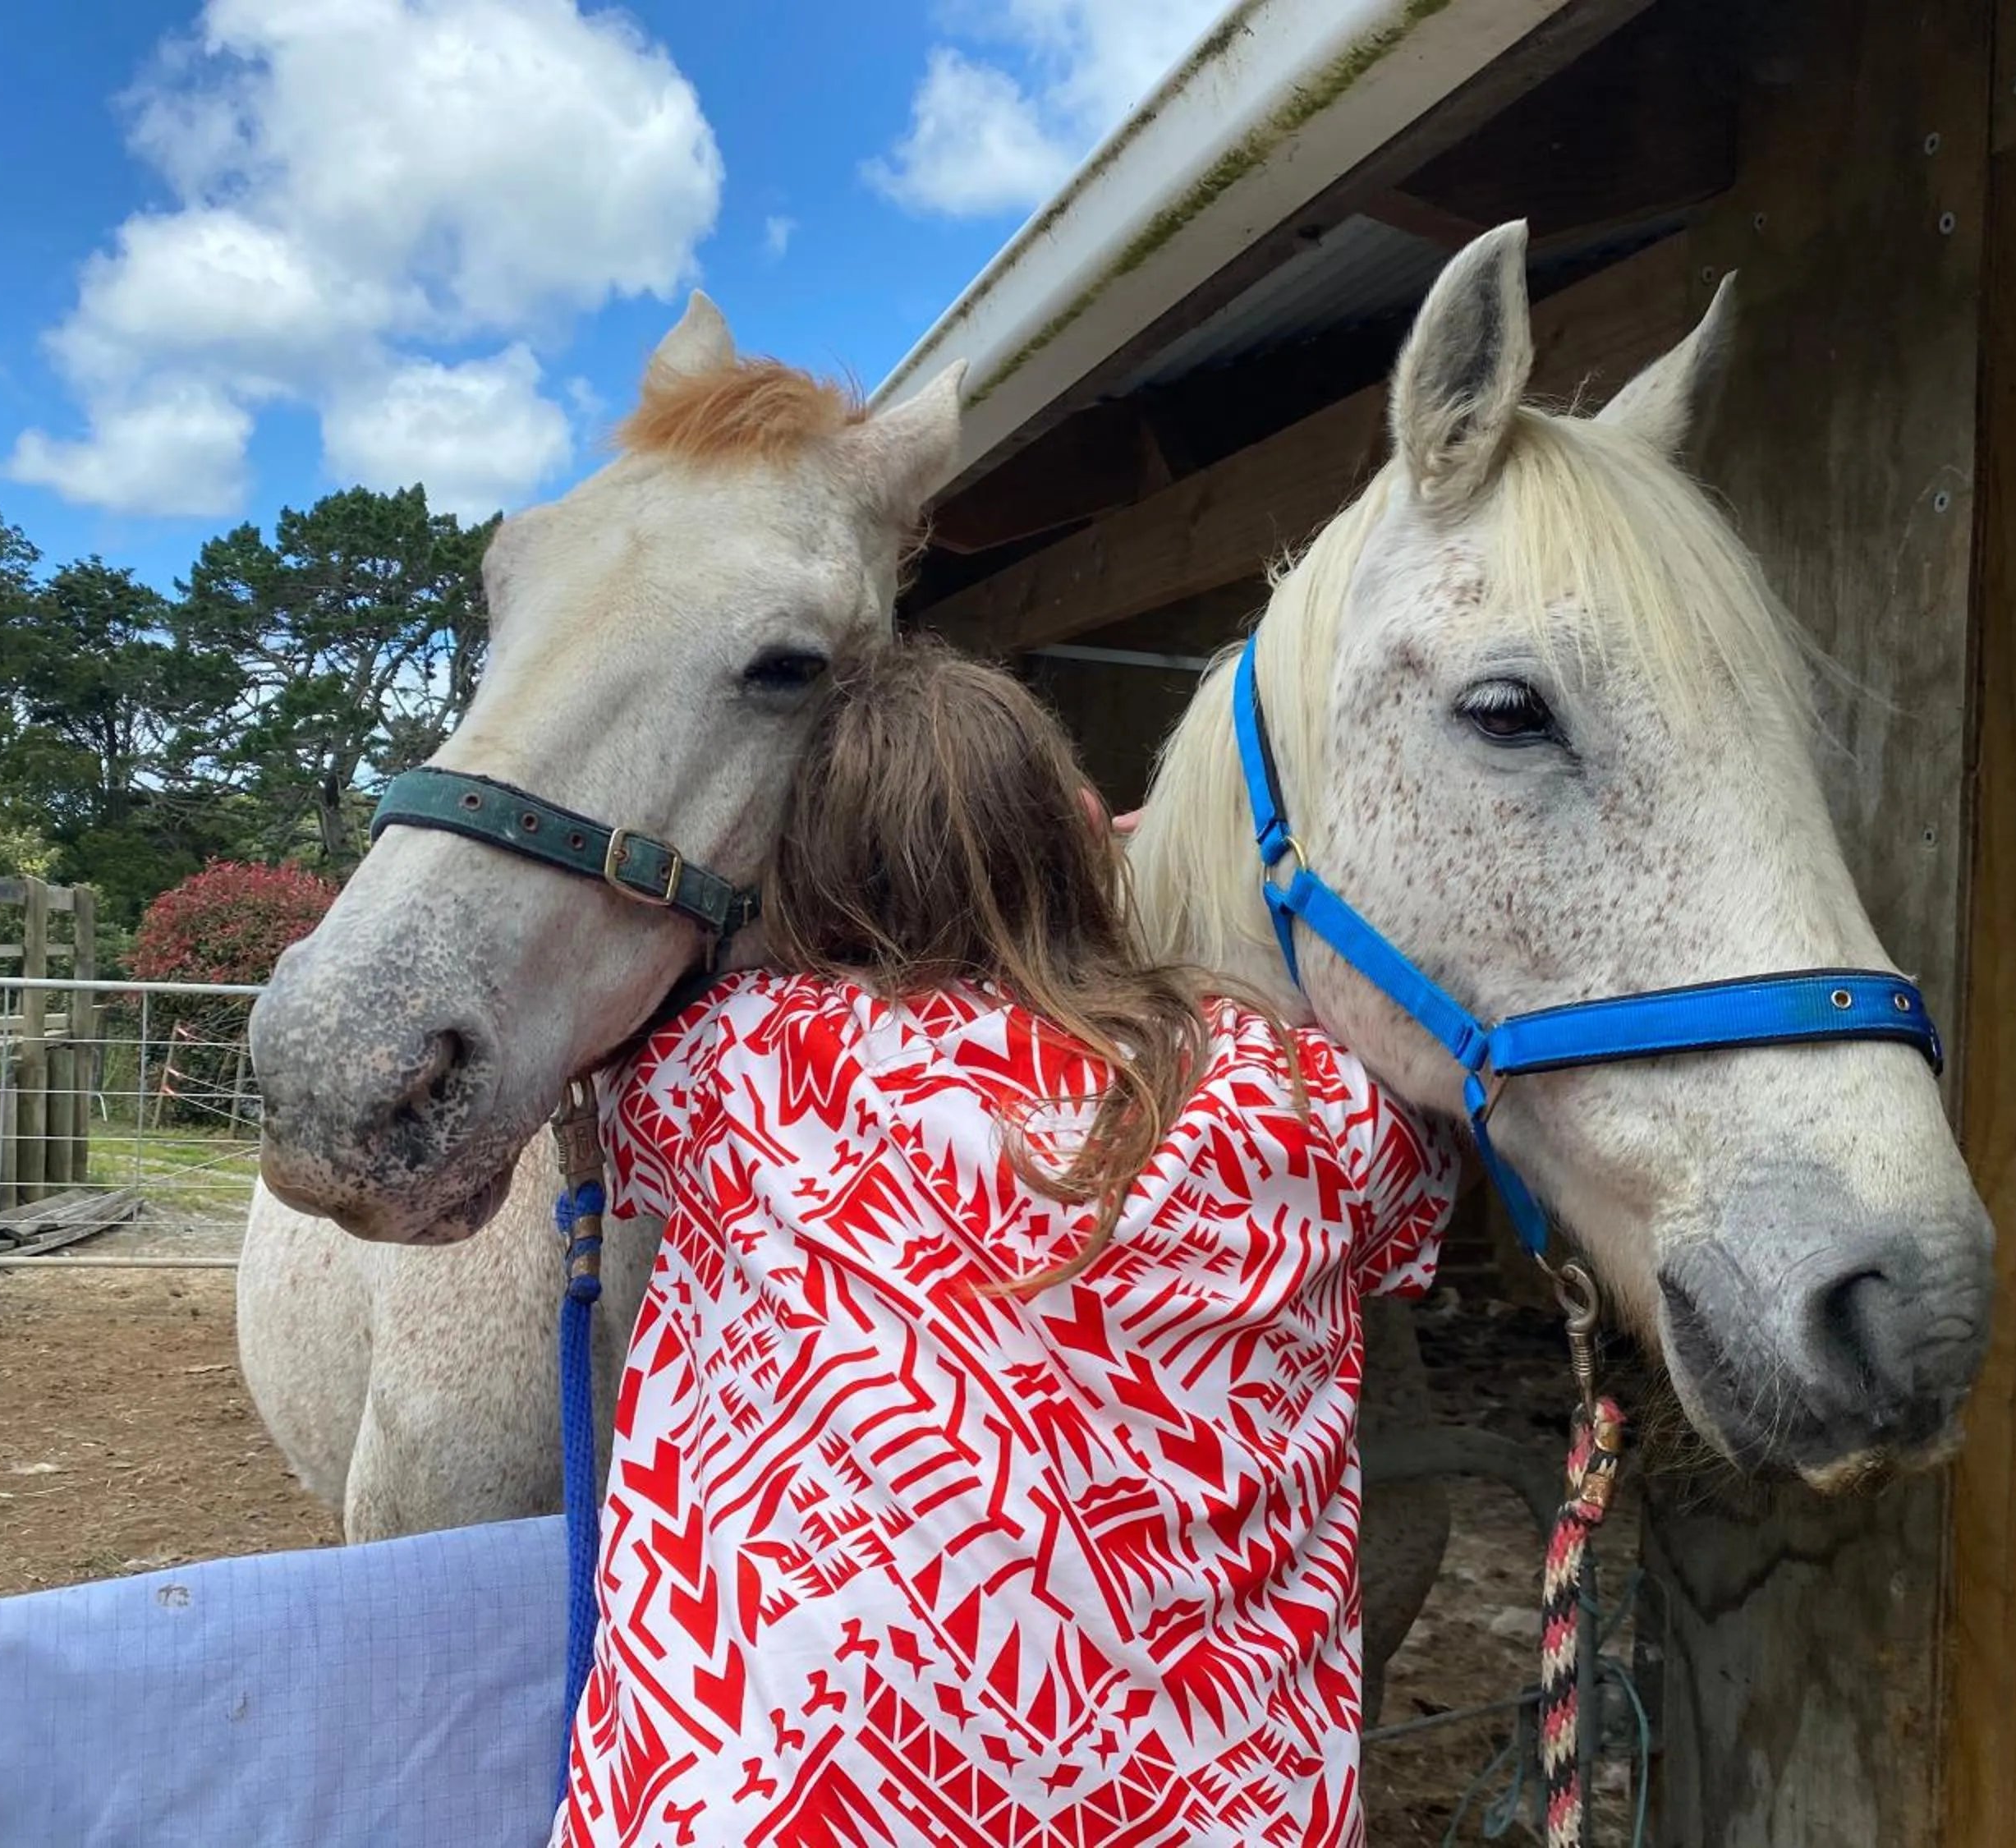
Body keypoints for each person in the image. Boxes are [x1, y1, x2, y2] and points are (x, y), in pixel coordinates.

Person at [554, 638, 1460, 1848]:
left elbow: (599, 1038)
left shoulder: (733, 1068)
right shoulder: (1311, 1103)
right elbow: (1418, 1188)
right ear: (1081, 833)